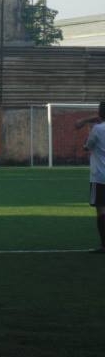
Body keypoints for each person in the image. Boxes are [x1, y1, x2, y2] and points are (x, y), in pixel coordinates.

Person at [75, 102, 105, 253]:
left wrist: (87, 121)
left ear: (100, 113)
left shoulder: (97, 129)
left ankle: (104, 245)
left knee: (101, 211)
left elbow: (87, 147)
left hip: (100, 176)